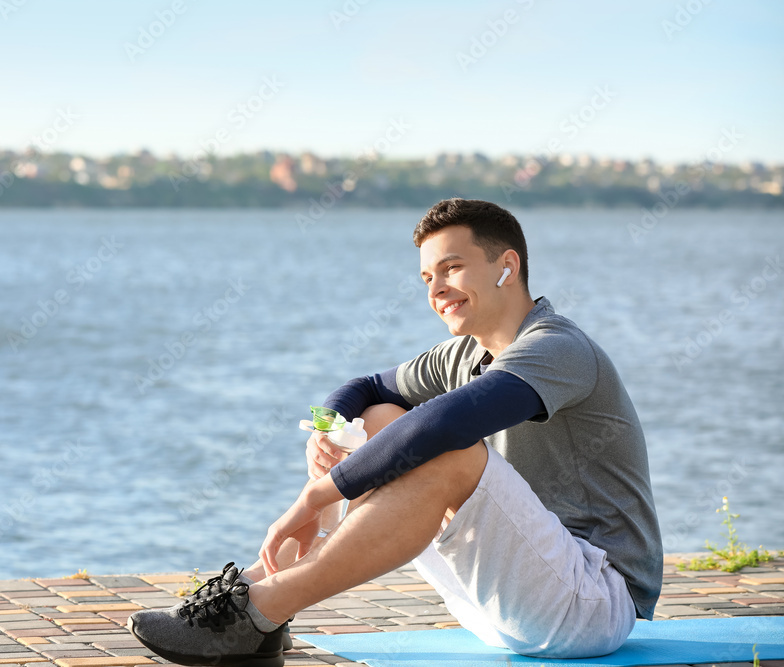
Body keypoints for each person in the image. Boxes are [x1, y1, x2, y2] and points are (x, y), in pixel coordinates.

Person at [128, 198, 663, 666]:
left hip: (591, 604)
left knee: (446, 447)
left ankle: (260, 612)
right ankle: (257, 592)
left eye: (452, 268)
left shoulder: (558, 348)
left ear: (507, 266)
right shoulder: (465, 354)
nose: (438, 290)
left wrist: (321, 494)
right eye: (428, 278)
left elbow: (451, 423)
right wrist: (330, 431)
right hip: (499, 606)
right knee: (378, 419)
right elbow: (362, 386)